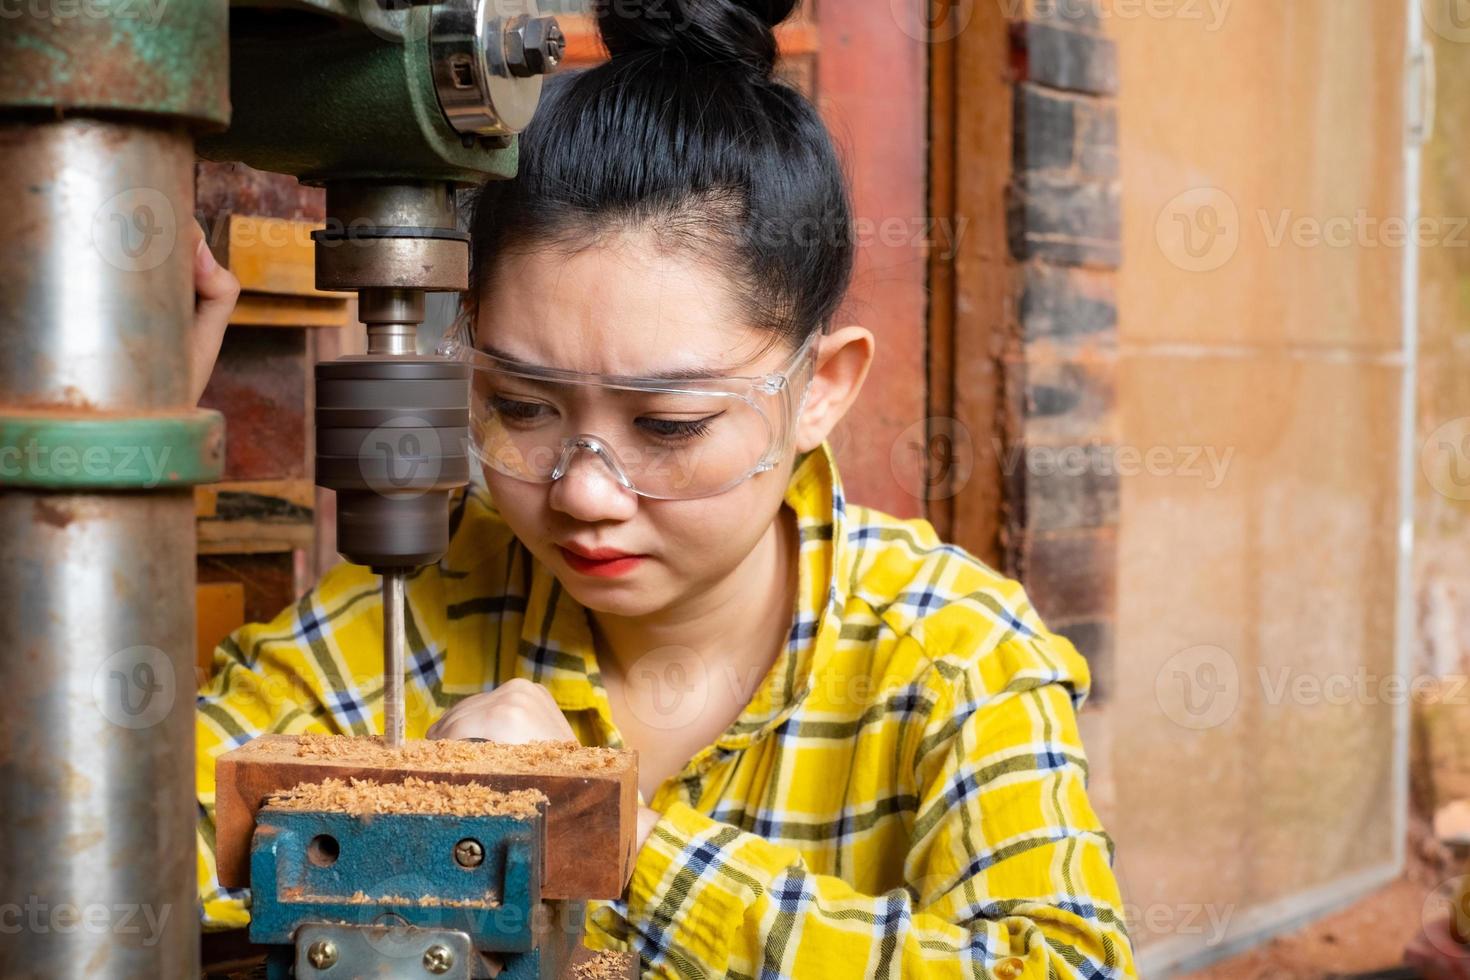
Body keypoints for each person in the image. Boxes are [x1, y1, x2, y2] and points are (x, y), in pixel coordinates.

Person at [190, 1, 1136, 975]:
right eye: (522, 406)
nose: (586, 494)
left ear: (822, 389)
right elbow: (99, 847)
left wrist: (620, 841)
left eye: (668, 425)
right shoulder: (420, 603)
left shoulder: (953, 655)